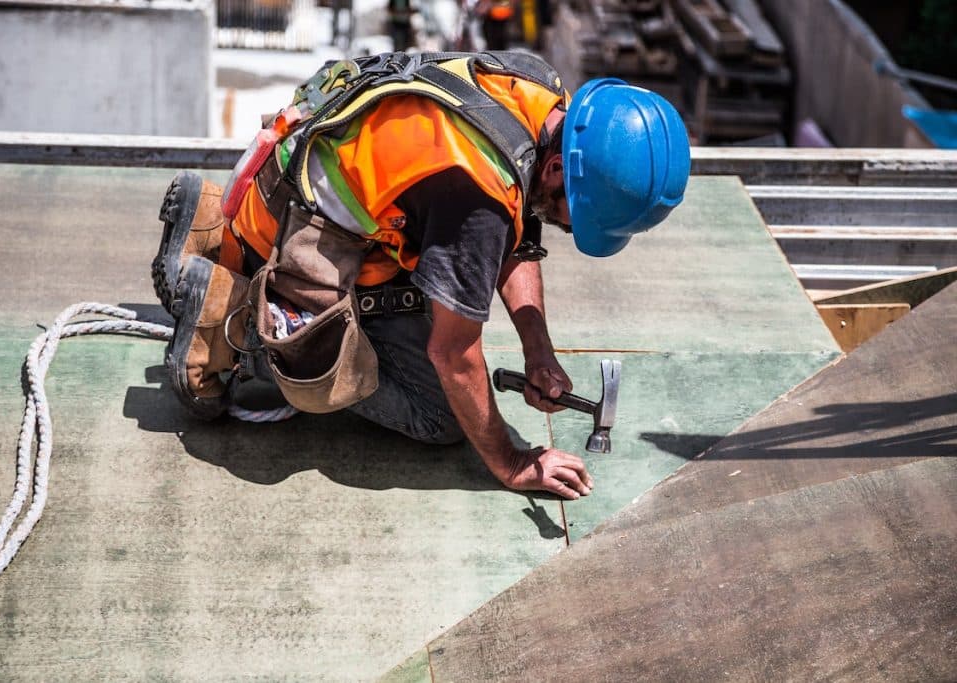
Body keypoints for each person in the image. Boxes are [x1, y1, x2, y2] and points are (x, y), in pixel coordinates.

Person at [151, 51, 690, 500]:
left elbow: (518, 233)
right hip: (296, 239)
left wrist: (537, 350)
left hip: (292, 186)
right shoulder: (477, 196)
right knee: (440, 416)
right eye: (580, 217)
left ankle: (211, 227)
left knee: (445, 297)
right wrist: (511, 462)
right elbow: (453, 355)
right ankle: (234, 320)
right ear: (556, 169)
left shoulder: (538, 93)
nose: (573, 231)